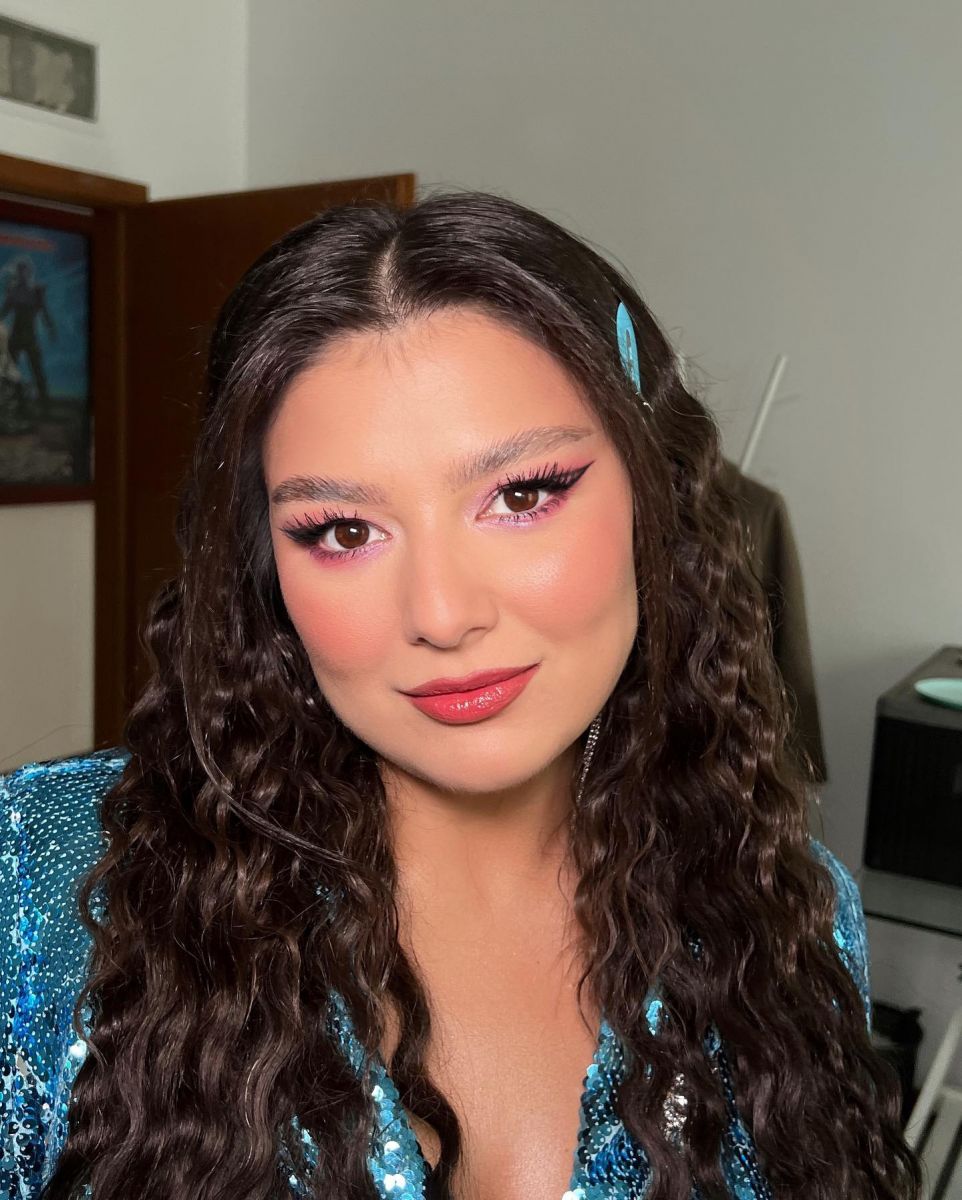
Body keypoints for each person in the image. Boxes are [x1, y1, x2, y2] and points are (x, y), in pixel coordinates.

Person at [1, 190, 921, 1200]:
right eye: (343, 531)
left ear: (652, 496)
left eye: (521, 496)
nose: (440, 614)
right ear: (268, 571)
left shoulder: (787, 916)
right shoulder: (43, 890)